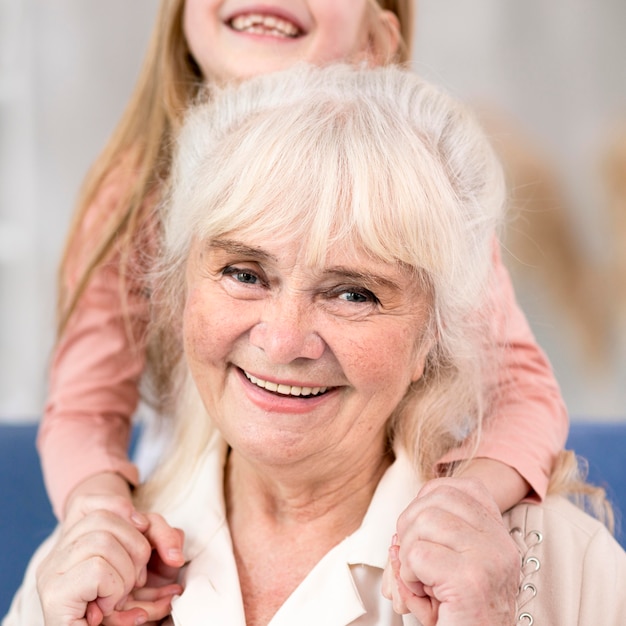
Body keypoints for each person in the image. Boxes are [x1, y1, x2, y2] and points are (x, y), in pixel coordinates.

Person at [6, 63, 624, 626]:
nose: (283, 340)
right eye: (245, 274)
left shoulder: (556, 564)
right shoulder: (82, 567)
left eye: (353, 294)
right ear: (180, 298)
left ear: (429, 343)